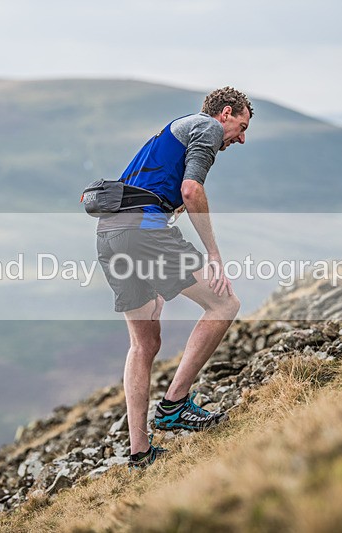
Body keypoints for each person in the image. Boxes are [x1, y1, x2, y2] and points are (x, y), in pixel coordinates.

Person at [95, 87, 252, 468]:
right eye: (241, 126)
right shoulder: (207, 129)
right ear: (225, 113)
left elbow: (168, 191)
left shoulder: (173, 134)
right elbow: (191, 189)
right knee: (224, 304)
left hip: (108, 235)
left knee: (143, 345)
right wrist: (213, 254)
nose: (241, 138)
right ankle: (175, 405)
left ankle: (139, 453)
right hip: (143, 232)